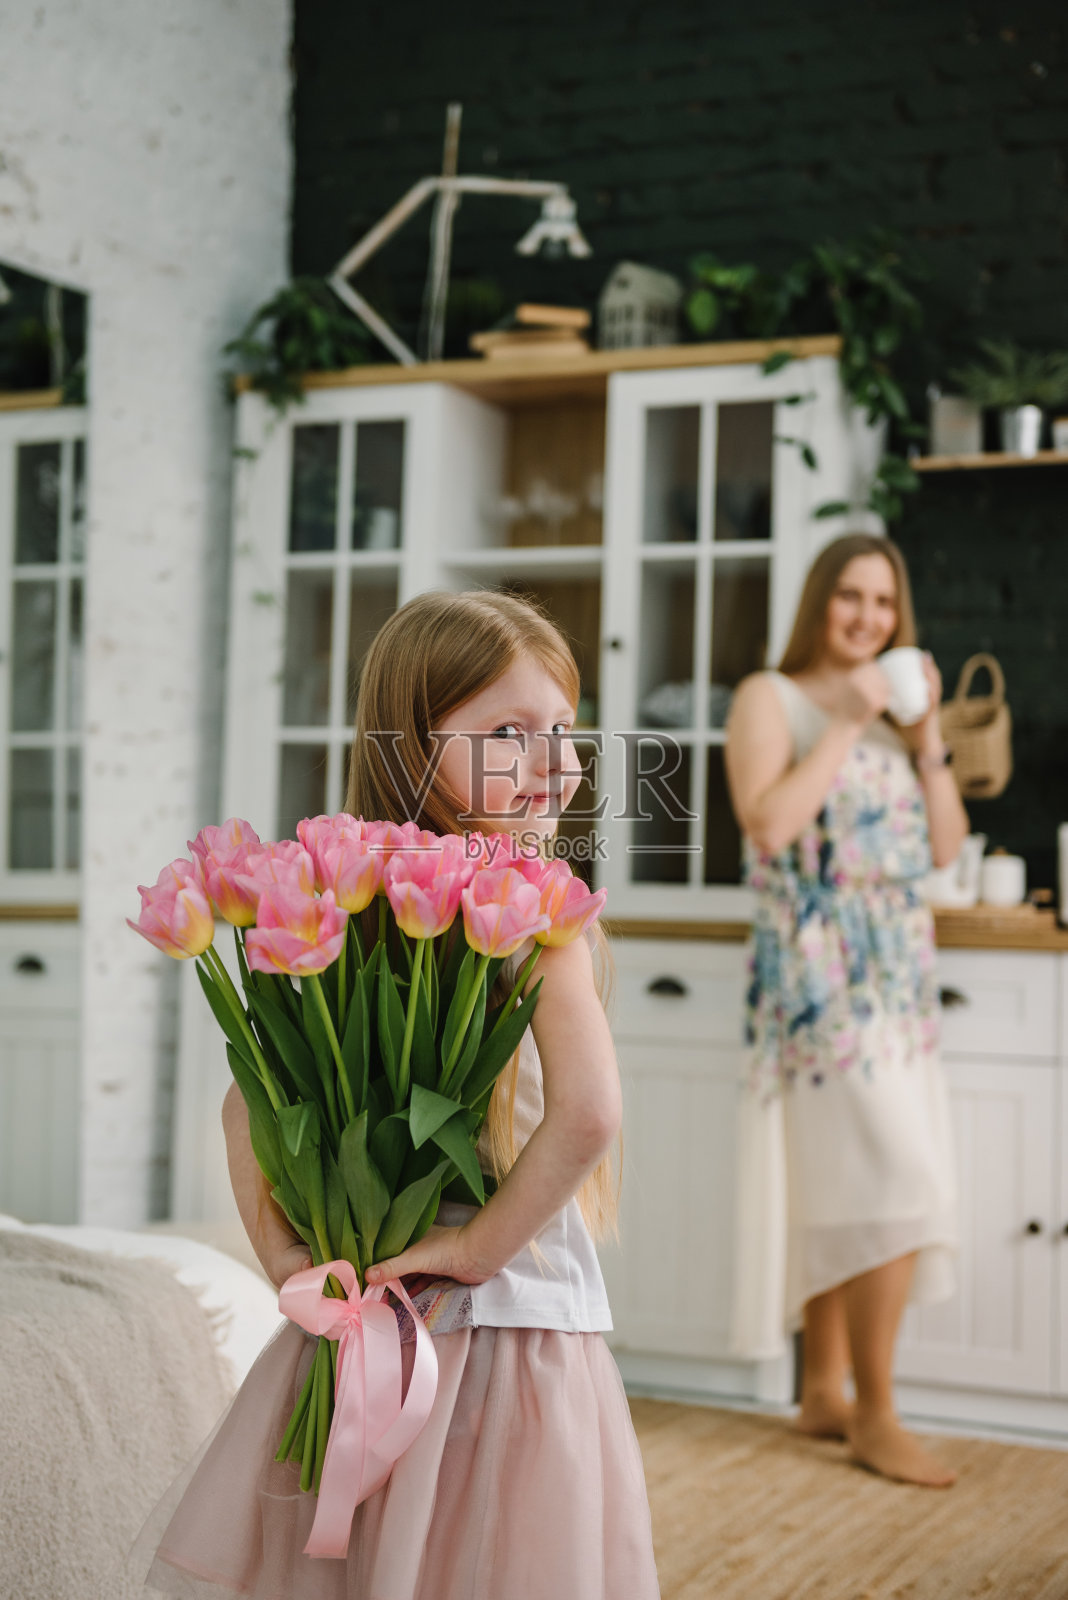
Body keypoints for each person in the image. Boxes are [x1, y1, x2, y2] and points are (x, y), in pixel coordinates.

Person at [140, 589, 661, 1599]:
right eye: (508, 732)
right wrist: (474, 1249)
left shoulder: (342, 911)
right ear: (416, 747)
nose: (555, 761)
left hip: (364, 1318)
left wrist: (284, 1254)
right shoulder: (535, 915)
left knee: (365, 1555)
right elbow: (591, 1113)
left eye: (564, 729)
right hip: (509, 1318)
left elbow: (245, 1102)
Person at [725, 533, 967, 1490]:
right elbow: (770, 823)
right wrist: (845, 719)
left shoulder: (894, 718)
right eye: (851, 598)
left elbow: (943, 847)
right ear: (821, 601)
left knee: (851, 1179)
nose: (868, 617)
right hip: (817, 980)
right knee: (898, 1177)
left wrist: (925, 738)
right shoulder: (767, 697)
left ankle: (823, 1389)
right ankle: (878, 1413)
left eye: (883, 602)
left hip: (896, 977)